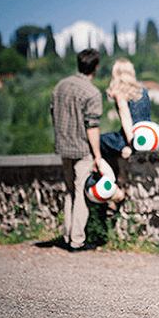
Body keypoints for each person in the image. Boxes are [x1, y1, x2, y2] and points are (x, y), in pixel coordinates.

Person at [50, 48, 107, 252]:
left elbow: (52, 113)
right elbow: (91, 126)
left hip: (64, 147)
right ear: (96, 67)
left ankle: (67, 235)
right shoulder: (92, 93)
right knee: (81, 195)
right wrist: (97, 156)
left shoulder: (60, 86)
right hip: (82, 149)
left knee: (69, 193)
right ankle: (77, 241)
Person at [100, 58, 152, 161]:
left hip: (133, 137)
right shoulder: (143, 90)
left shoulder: (121, 93)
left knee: (97, 140)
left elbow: (126, 119)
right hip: (148, 134)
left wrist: (132, 145)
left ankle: (107, 175)